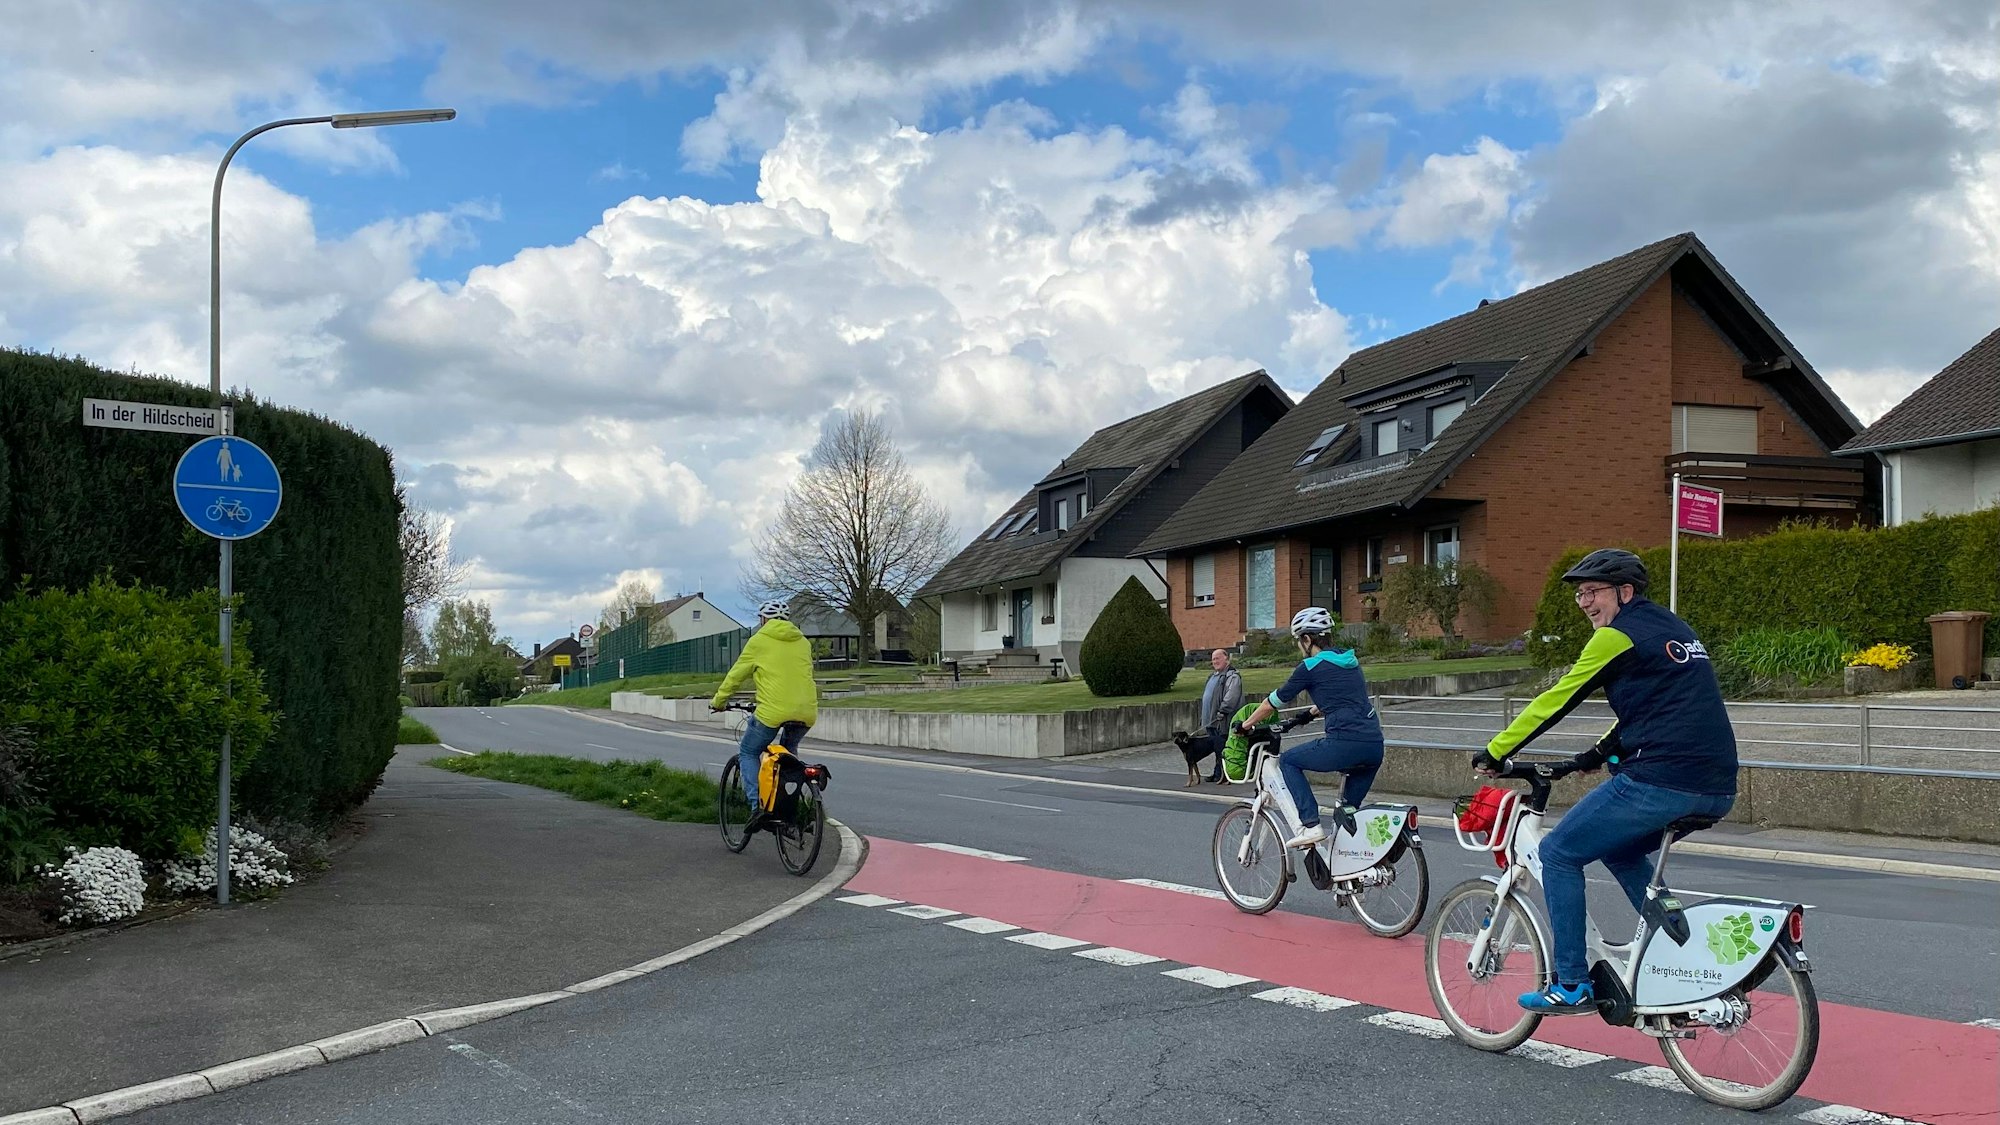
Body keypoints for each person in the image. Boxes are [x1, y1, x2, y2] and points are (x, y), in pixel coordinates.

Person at [1473, 548, 1737, 1014]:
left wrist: (1497, 751)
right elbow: (1660, 707)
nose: (1585, 603)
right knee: (1619, 848)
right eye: (1580, 595)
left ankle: (1572, 983)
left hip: (1660, 778)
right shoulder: (1674, 629)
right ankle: (1681, 952)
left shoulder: (1616, 636)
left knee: (1557, 853)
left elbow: (1556, 699)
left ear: (1625, 592)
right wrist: (1597, 755)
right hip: (1714, 785)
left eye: (1593, 592)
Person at [1235, 607, 1384, 848]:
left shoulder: (1310, 667)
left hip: (1344, 743)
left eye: (1298, 641)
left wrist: (1245, 725)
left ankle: (1311, 825)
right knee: (1346, 815)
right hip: (1374, 746)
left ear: (1307, 639)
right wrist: (1307, 715)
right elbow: (1342, 699)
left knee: (1290, 761)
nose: (1299, 647)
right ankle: (1350, 873)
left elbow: (1272, 703)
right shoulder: (1350, 661)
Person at [711, 600, 819, 833]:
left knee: (749, 752)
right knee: (788, 757)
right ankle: (789, 809)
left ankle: (757, 807)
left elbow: (736, 675)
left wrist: (719, 701)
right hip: (806, 711)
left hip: (772, 711)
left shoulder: (759, 640)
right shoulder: (802, 641)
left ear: (763, 620)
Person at [1198, 648, 1243, 784]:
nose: (1215, 661)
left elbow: (1231, 696)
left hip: (1222, 720)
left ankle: (1224, 775)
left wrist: (1223, 710)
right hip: (1211, 721)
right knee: (1217, 749)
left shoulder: (1232, 676)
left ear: (1226, 659)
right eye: (1213, 659)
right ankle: (1217, 773)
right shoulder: (1213, 676)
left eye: (1218, 658)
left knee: (1223, 748)